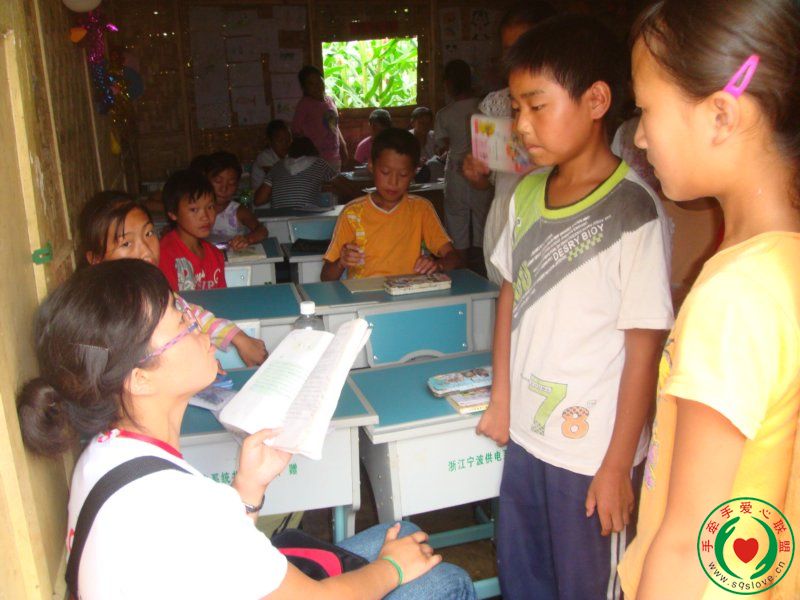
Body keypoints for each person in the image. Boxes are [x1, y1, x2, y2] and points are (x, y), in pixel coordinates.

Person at [16, 259, 477, 600]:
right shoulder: (178, 503)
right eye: (182, 322)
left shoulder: (102, 452)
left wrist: (248, 487)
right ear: (139, 379)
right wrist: (392, 571)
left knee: (403, 532)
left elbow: (206, 554)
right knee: (442, 580)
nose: (201, 326)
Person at [476, 15, 674, 599]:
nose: (521, 125)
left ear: (595, 101)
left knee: (586, 585)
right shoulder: (527, 194)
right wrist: (501, 398)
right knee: (525, 577)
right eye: (517, 108)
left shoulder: (633, 212)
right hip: (527, 438)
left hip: (592, 456)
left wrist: (617, 465)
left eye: (537, 106)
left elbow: (644, 349)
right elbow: (510, 295)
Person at [616, 1, 800, 598]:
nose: (639, 135)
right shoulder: (778, 264)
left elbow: (692, 543)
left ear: (721, 115)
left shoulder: (736, 297)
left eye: (646, 109)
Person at [78, 191, 267, 366]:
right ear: (95, 259)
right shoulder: (105, 318)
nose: (146, 251)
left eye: (148, 233)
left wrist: (237, 337)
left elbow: (193, 315)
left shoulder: (154, 292)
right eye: (126, 243)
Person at [461, 2, 556, 285]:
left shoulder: (565, 104)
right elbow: (489, 181)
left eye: (524, 46)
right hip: (504, 216)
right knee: (506, 290)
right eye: (508, 49)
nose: (515, 57)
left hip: (546, 214)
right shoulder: (496, 104)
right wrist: (477, 174)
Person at [321, 128, 462, 281]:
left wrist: (438, 265)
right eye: (385, 172)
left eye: (403, 175)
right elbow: (326, 277)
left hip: (408, 292)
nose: (393, 182)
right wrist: (341, 262)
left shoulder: (421, 209)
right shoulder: (353, 213)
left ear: (414, 173)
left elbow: (453, 257)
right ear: (371, 166)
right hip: (366, 294)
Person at [434, 60, 494, 259]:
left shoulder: (444, 115)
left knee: (456, 223)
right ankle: (483, 267)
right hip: (483, 170)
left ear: (448, 83)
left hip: (456, 173)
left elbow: (441, 145)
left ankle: (460, 268)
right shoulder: (486, 108)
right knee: (484, 221)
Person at [159, 169, 226, 291]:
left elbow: (223, 297)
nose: (205, 217)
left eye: (210, 207)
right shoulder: (164, 255)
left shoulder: (215, 255)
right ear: (173, 213)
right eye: (194, 209)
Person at [254, 137, 338, 210]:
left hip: (278, 218)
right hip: (307, 217)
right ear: (313, 150)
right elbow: (340, 185)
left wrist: (280, 193)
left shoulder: (277, 166)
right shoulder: (319, 163)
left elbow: (258, 200)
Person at [206, 151, 268, 249]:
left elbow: (262, 231)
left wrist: (247, 239)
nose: (224, 189)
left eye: (231, 183)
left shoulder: (238, 211)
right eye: (218, 181)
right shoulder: (195, 209)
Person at [292, 65, 348, 171]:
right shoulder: (304, 104)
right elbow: (296, 132)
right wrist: (307, 155)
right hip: (315, 161)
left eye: (318, 81)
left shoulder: (330, 101)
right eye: (311, 84)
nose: (316, 86)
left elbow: (334, 126)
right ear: (304, 88)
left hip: (334, 157)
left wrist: (343, 145)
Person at [251, 120, 293, 190]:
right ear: (270, 142)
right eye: (280, 141)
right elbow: (277, 178)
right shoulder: (264, 156)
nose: (285, 144)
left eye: (288, 140)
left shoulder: (288, 156)